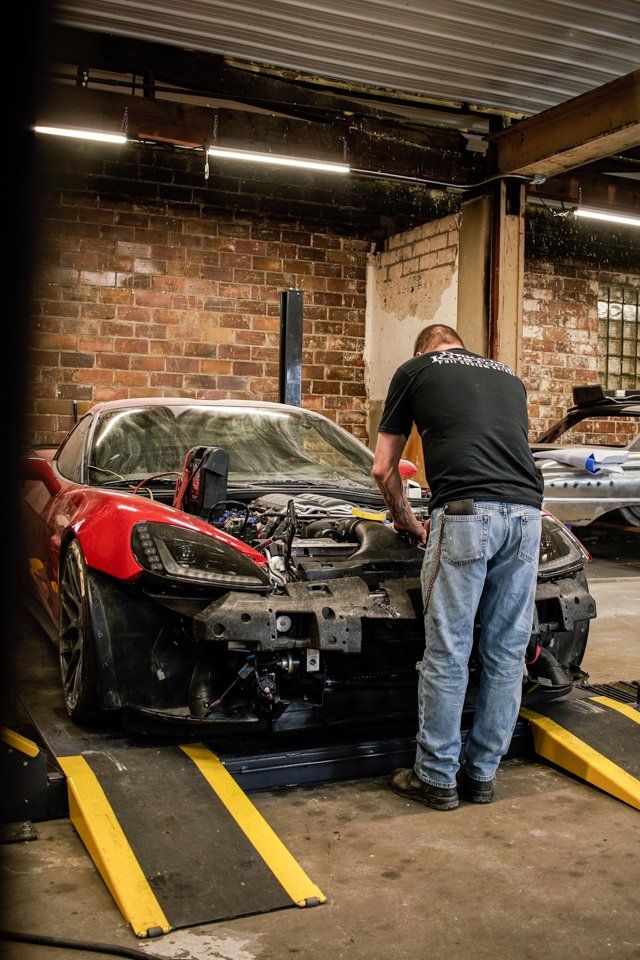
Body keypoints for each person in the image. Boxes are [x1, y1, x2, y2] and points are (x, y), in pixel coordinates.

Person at [372, 323, 543, 811]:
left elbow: (384, 468)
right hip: (527, 517)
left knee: (448, 650)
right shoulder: (507, 375)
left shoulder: (415, 370)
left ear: (423, 348)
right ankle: (483, 775)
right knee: (507, 653)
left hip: (467, 514)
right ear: (460, 345)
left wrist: (407, 522)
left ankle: (437, 777)